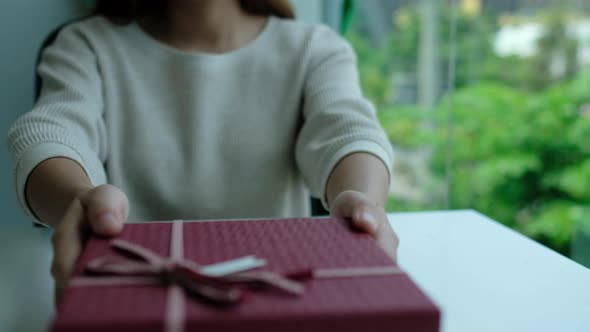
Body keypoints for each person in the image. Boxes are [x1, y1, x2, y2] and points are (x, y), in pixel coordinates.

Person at [7, 0, 398, 302]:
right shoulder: (87, 45)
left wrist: (362, 204)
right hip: (133, 295)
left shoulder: (315, 48)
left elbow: (346, 131)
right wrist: (79, 199)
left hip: (276, 296)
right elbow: (51, 131)